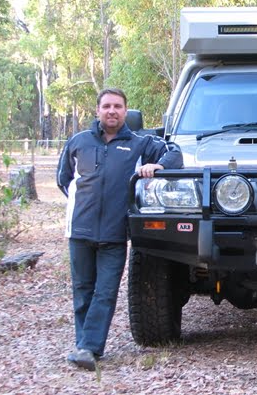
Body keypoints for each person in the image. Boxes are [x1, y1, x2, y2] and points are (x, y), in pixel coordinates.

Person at [56, 88, 183, 371]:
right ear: (98, 110)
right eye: (106, 106)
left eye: (117, 106)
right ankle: (84, 345)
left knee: (105, 291)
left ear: (126, 111)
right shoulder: (78, 142)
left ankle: (89, 348)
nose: (112, 111)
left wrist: (157, 165)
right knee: (82, 290)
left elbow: (175, 154)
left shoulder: (140, 144)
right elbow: (64, 180)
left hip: (115, 233)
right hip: (79, 231)